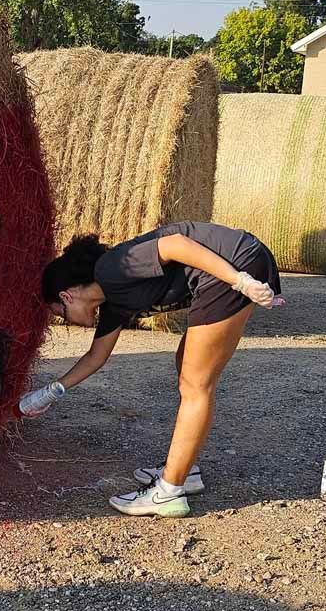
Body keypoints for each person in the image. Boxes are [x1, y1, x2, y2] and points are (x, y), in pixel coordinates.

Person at [18, 222, 283, 518]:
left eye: (61, 315)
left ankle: (169, 492)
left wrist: (239, 280)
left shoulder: (112, 269)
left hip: (234, 264)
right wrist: (51, 392)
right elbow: (96, 356)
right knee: (187, 366)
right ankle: (183, 468)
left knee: (195, 385)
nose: (68, 322)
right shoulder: (114, 303)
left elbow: (175, 244)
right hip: (237, 263)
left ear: (67, 296)